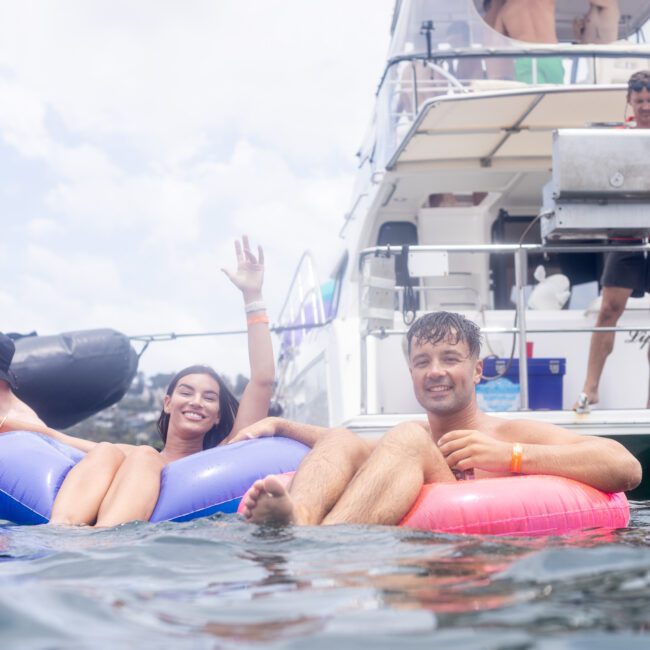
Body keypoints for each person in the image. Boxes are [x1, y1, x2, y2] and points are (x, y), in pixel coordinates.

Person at [234, 311, 641, 527]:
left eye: (450, 359)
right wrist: (279, 424)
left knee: (409, 437)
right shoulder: (412, 444)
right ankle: (300, 518)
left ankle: (318, 551)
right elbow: (343, 445)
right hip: (415, 567)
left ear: (477, 370)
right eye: (422, 362)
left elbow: (626, 466)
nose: (435, 371)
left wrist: (511, 457)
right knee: (343, 437)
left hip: (477, 570)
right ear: (411, 373)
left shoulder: (504, 433)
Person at [0, 236, 280, 526]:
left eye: (209, 398)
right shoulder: (129, 456)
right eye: (187, 392)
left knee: (143, 456)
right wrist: (11, 424)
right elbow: (59, 439)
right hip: (87, 531)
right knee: (106, 450)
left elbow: (262, 380)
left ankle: (99, 539)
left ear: (217, 415)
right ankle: (60, 533)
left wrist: (253, 298)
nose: (196, 401)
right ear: (168, 403)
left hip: (126, 539)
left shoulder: (224, 456)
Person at [575, 71, 650, 413]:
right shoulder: (618, 138)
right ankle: (591, 388)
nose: (646, 107)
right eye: (640, 102)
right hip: (626, 234)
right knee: (608, 310)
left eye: (649, 101)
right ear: (630, 103)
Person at [492, 0, 564, 84]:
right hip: (552, 56)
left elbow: (496, 42)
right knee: (557, 96)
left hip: (526, 58)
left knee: (533, 96)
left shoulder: (504, 11)